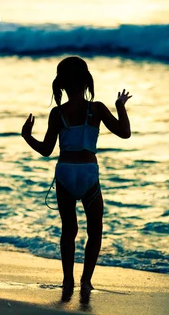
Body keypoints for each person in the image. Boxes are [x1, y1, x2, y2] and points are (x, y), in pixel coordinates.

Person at [21, 56, 131, 300]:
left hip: (65, 174)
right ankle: (86, 280)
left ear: (60, 85)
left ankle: (67, 279)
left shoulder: (57, 113)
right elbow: (125, 133)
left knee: (68, 230)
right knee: (95, 230)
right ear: (87, 82)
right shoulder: (97, 108)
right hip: (88, 174)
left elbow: (47, 150)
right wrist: (120, 106)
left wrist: (27, 136)